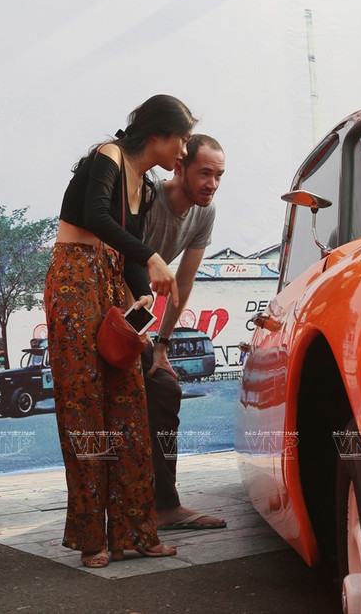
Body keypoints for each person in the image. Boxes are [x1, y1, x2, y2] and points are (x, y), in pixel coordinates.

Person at [44, 94, 194, 568]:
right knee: (85, 407)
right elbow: (95, 217)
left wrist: (140, 295)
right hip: (73, 278)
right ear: (157, 135)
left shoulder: (146, 189)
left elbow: (127, 253)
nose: (184, 152)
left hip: (110, 280)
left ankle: (136, 531)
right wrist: (151, 258)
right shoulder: (108, 155)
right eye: (182, 140)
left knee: (129, 404)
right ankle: (92, 539)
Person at [142, 134, 227, 530]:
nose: (212, 183)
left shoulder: (204, 214)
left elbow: (184, 282)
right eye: (205, 172)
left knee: (165, 388)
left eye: (219, 175)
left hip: (140, 321)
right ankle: (137, 507)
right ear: (180, 167)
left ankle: (164, 504)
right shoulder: (147, 198)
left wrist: (161, 345)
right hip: (110, 308)